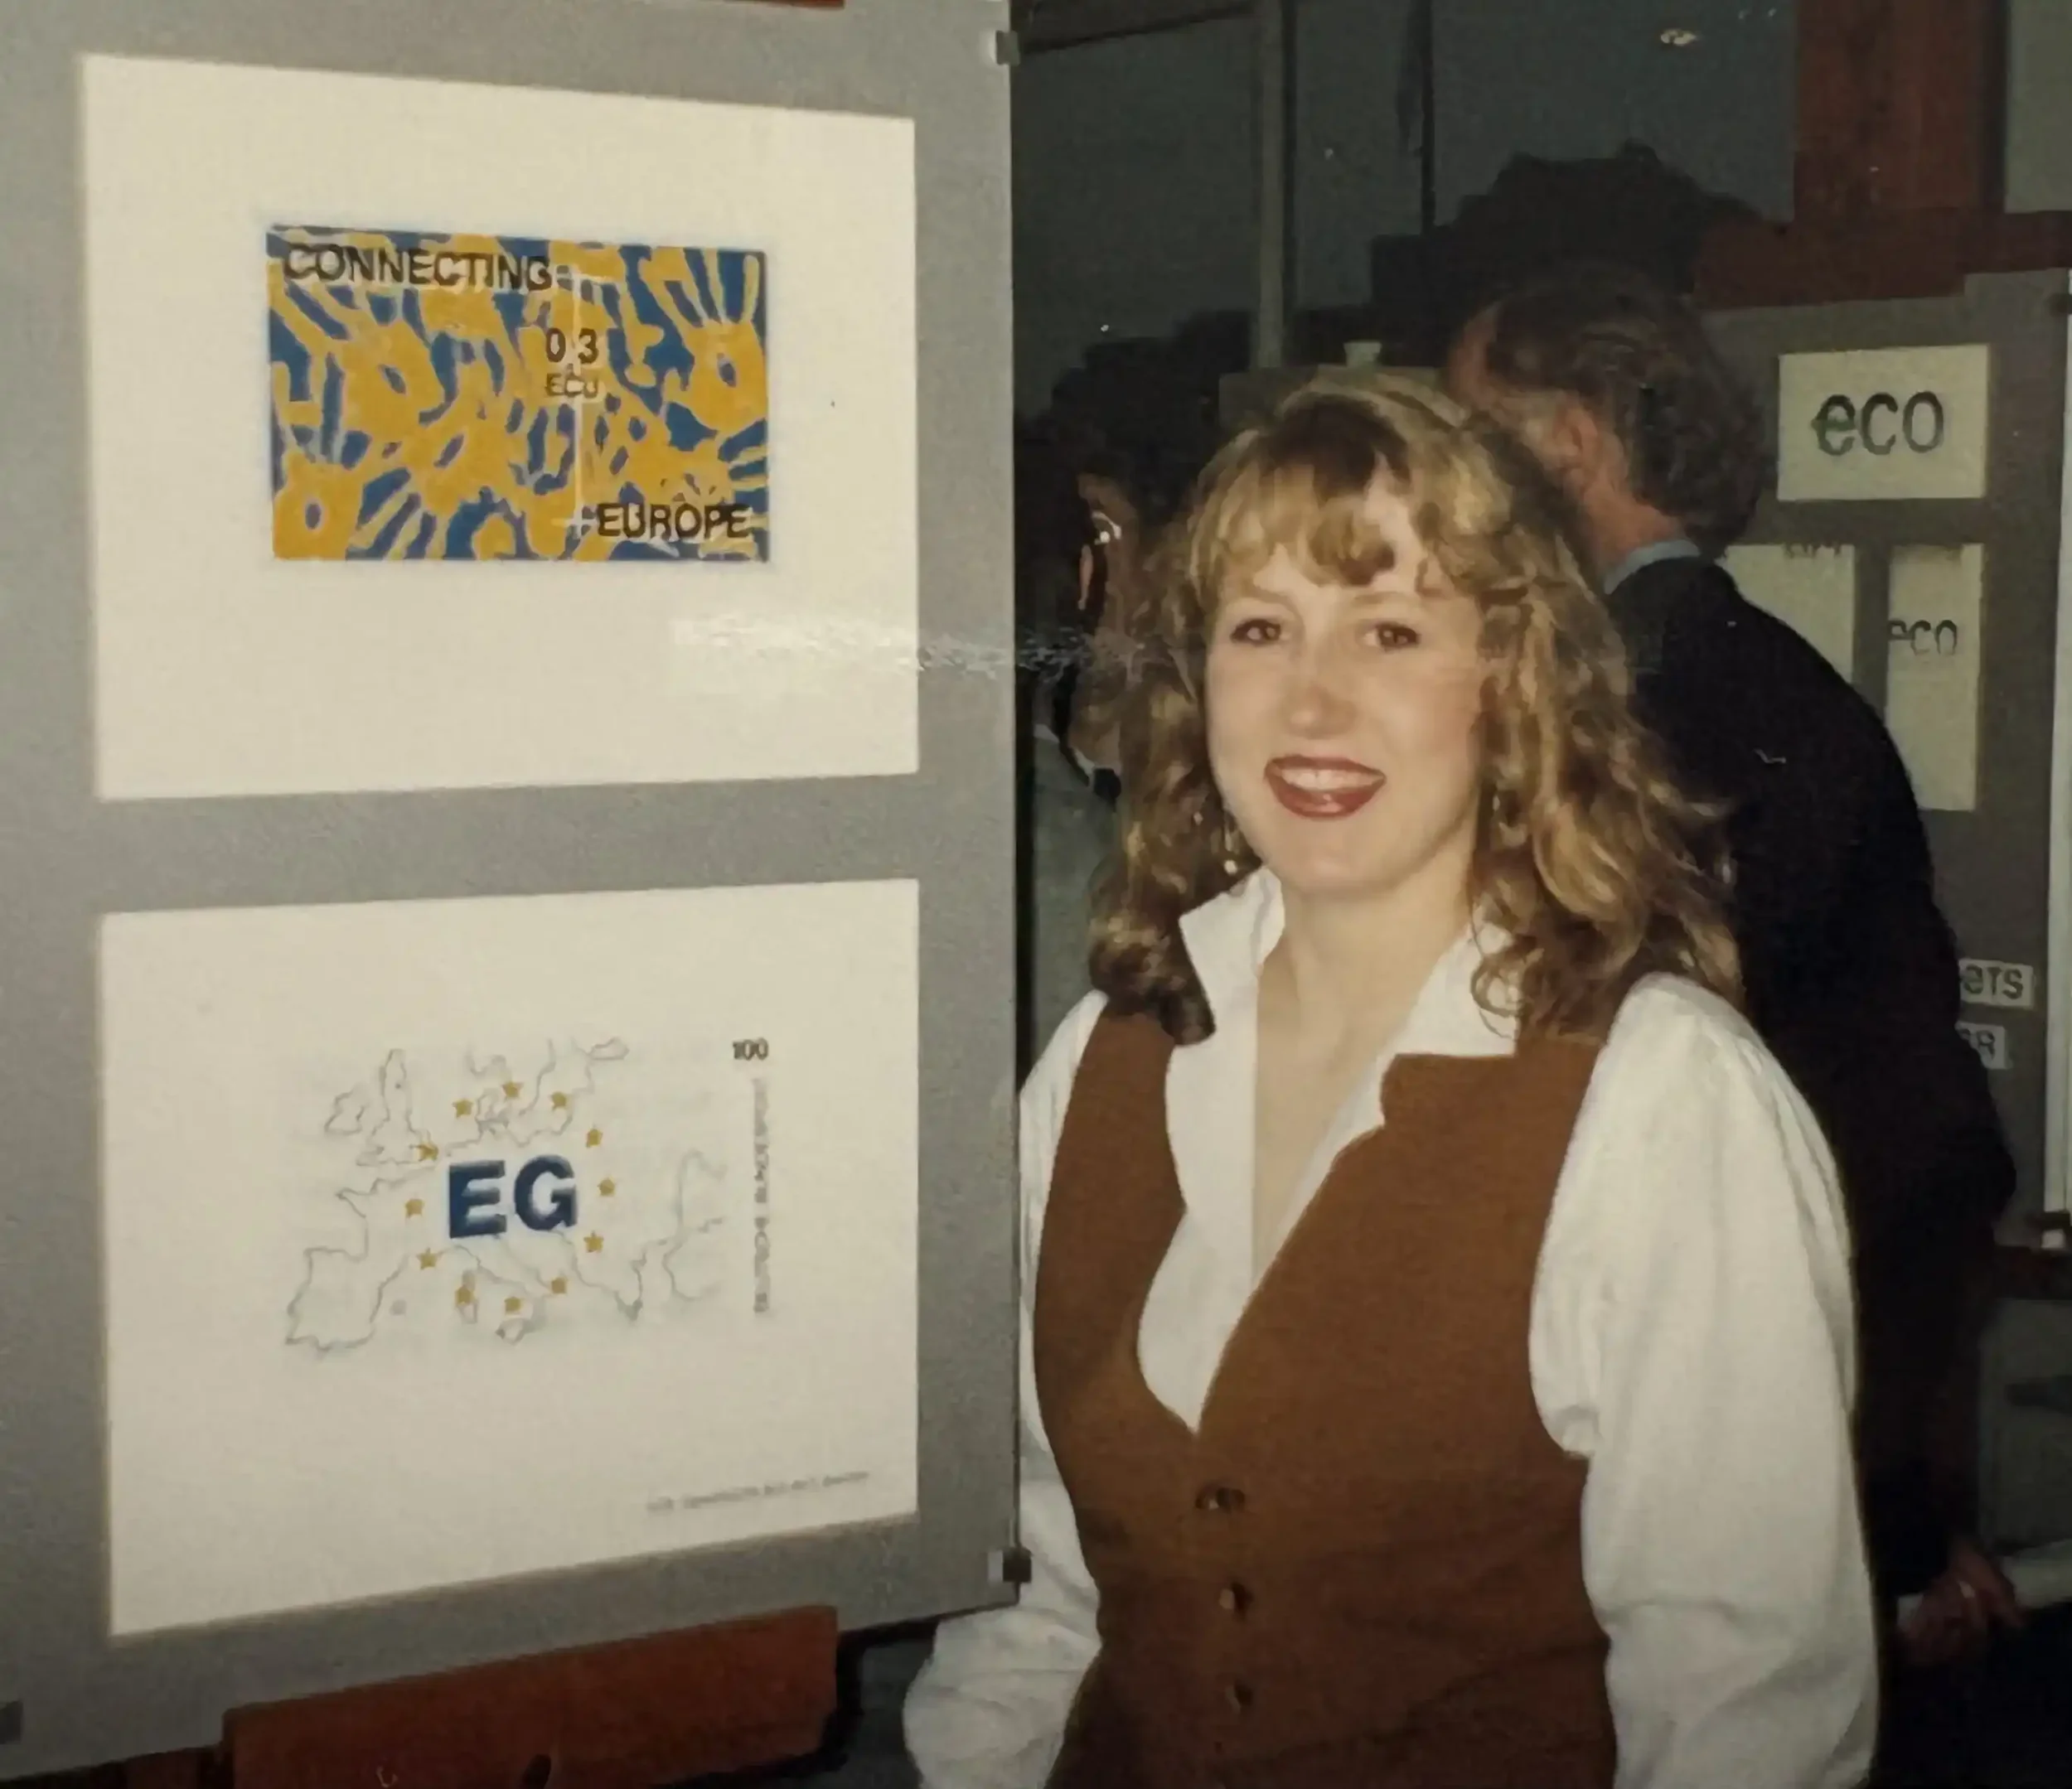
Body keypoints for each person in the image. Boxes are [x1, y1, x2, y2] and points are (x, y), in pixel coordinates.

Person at [907, 377, 1877, 1788]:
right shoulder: (1104, 1061)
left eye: (1391, 631)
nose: (1313, 700)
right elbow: (1044, 1594)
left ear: (1514, 681)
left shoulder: (1663, 1098)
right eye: (1261, 629)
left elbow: (1748, 1715)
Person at [1443, 262, 2024, 1676]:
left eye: (1472, 435)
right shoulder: (1738, 680)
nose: (1444, 490)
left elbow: (1855, 1140)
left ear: (1569, 442)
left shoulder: (1653, 719)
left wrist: (1886, 1525)